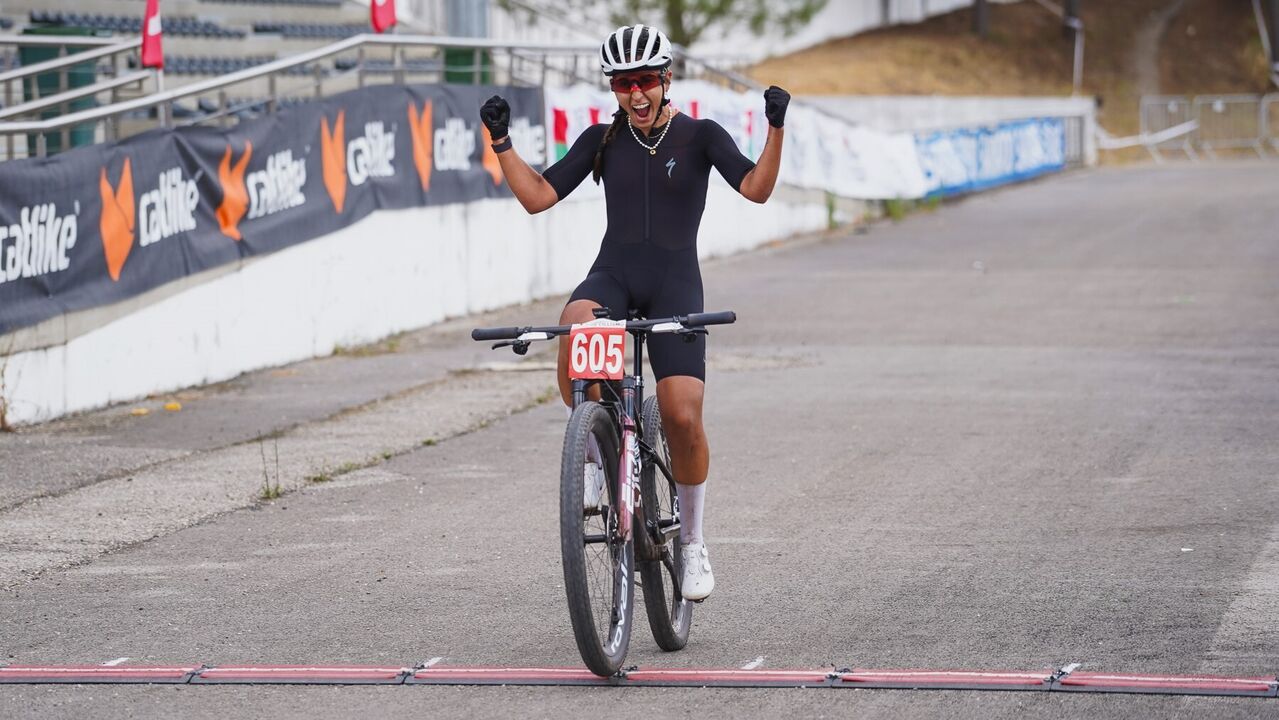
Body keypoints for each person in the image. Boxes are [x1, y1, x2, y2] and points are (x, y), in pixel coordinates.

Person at [479, 24, 789, 601]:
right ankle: (597, 449)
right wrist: (501, 142)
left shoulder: (699, 136)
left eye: (645, 81)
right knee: (577, 331)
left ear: (666, 80)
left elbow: (756, 188)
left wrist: (775, 129)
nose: (636, 94)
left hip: (675, 283)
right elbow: (538, 197)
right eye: (624, 83)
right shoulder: (603, 140)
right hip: (614, 275)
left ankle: (692, 542)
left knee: (681, 414)